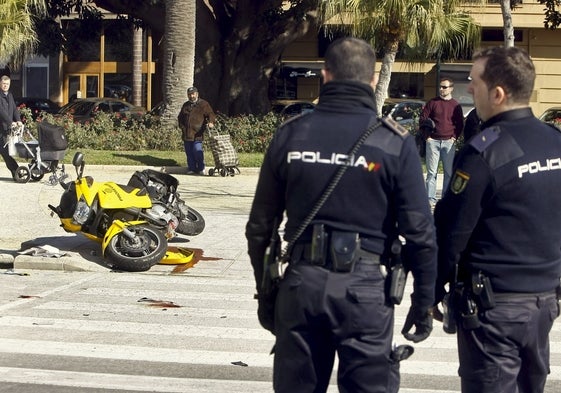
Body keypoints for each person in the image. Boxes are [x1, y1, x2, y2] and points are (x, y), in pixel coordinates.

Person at [246, 37, 437, 393]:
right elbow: (421, 235)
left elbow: (259, 228)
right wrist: (423, 303)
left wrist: (266, 290)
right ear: (371, 78)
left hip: (302, 285)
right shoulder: (393, 142)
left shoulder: (291, 135)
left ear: (325, 75)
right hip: (365, 292)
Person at [433, 46, 561, 393]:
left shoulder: (484, 151)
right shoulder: (555, 142)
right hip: (543, 303)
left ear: (498, 93)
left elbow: (453, 232)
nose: (469, 88)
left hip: (494, 309)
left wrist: (433, 289)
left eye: (474, 82)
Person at [420, 77, 464, 206]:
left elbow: (460, 124)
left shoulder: (455, 105)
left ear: (451, 88)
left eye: (444, 87)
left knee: (448, 173)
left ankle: (445, 200)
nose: (441, 89)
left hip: (448, 143)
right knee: (431, 173)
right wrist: (427, 137)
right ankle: (430, 199)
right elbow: (423, 119)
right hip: (433, 142)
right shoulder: (432, 103)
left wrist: (454, 138)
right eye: (440, 86)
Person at [177, 86, 216, 175]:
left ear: (197, 94)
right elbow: (180, 118)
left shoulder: (203, 104)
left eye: (193, 94)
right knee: (189, 153)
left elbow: (211, 114)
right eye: (189, 94)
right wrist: (182, 127)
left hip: (198, 134)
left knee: (197, 150)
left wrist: (211, 122)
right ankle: (192, 168)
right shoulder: (186, 105)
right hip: (187, 133)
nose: (191, 96)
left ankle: (201, 168)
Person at [0, 75, 22, 180]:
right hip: (1, 128)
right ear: (0, 84)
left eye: (7, 84)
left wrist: (18, 120)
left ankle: (16, 171)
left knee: (5, 152)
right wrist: (10, 122)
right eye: (4, 84)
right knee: (5, 152)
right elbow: (2, 112)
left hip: (6, 129)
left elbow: (14, 109)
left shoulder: (10, 95)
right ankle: (16, 171)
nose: (5, 86)